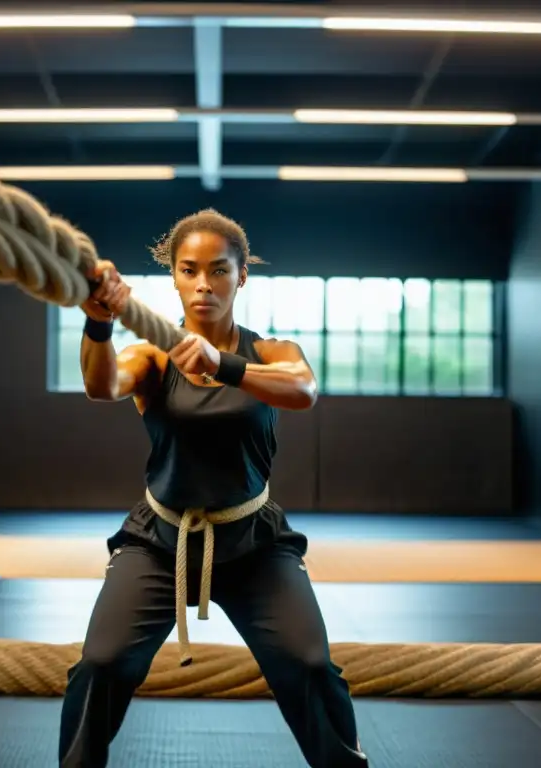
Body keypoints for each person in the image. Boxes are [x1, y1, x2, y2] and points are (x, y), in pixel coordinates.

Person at [58, 208, 370, 768]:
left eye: (219, 270)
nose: (204, 283)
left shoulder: (272, 352)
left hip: (253, 541)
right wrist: (98, 321)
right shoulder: (152, 357)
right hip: (160, 540)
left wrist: (222, 363)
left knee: (310, 665)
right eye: (189, 269)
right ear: (174, 277)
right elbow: (101, 385)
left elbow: (303, 390)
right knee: (100, 664)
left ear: (242, 275)